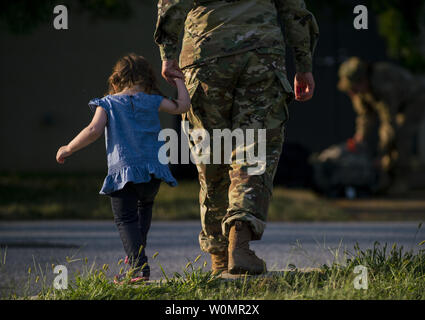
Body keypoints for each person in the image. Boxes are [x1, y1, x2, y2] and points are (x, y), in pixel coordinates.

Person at [155, 0, 319, 275]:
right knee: (254, 149)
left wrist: (168, 53)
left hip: (205, 50)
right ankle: (239, 244)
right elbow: (294, 9)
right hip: (260, 51)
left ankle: (219, 256)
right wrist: (303, 65)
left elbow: (172, 3)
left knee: (211, 154)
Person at [55, 53, 191, 282]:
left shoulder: (107, 103)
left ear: (116, 80)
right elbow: (183, 106)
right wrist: (178, 79)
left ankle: (139, 267)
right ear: (148, 79)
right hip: (152, 172)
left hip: (124, 173)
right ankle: (134, 260)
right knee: (143, 210)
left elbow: (93, 131)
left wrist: (68, 148)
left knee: (125, 219)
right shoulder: (152, 99)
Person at [338, 57, 425, 194]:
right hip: (398, 104)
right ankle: (387, 180)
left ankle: (401, 181)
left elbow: (389, 124)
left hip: (414, 99)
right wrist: (359, 138)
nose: (352, 92)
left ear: (363, 80)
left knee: (401, 135)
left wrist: (382, 153)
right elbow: (365, 116)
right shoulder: (361, 91)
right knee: (391, 138)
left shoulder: (383, 84)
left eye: (354, 87)